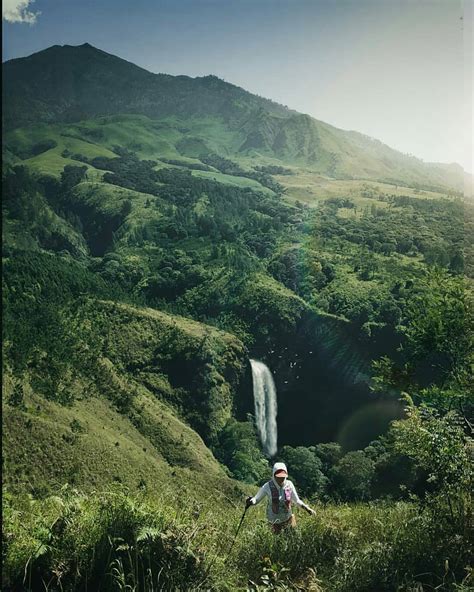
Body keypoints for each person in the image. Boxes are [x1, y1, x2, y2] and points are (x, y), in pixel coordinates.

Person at [245, 462, 316, 533]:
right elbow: (256, 499)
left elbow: (297, 500)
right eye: (279, 477)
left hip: (288, 519)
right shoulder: (267, 486)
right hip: (274, 522)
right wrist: (251, 501)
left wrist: (308, 509)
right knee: (277, 542)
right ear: (274, 475)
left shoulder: (289, 484)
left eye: (283, 477)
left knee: (291, 539)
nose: (281, 479)